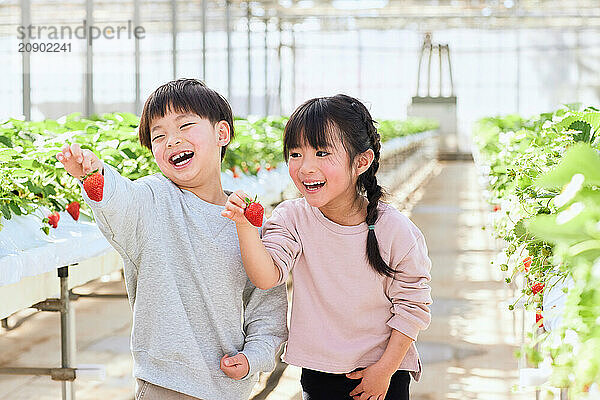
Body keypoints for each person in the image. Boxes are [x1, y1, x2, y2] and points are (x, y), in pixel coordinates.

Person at [56, 78, 288, 400]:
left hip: (230, 387)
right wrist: (94, 175)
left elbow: (268, 311)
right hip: (164, 386)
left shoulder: (249, 222)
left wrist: (253, 358)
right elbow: (122, 199)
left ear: (222, 133)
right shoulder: (154, 201)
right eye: (159, 136)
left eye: (185, 126)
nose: (172, 141)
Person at [222, 94, 432, 400]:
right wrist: (245, 226)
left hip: (384, 370)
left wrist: (385, 370)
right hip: (319, 372)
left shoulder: (393, 228)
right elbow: (267, 276)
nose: (305, 167)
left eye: (322, 153)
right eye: (295, 154)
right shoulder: (292, 217)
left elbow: (413, 304)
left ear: (362, 161)